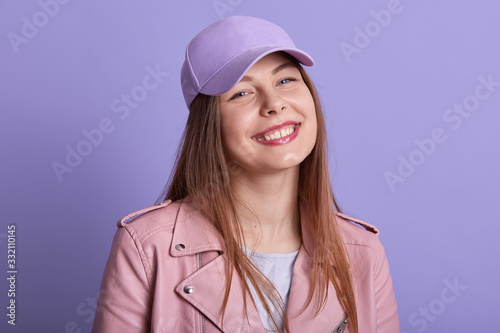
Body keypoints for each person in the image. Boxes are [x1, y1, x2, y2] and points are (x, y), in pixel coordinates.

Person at [92, 16, 400, 333]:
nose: (274, 104)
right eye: (242, 93)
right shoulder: (146, 246)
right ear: (208, 124)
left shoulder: (363, 253)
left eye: (285, 81)